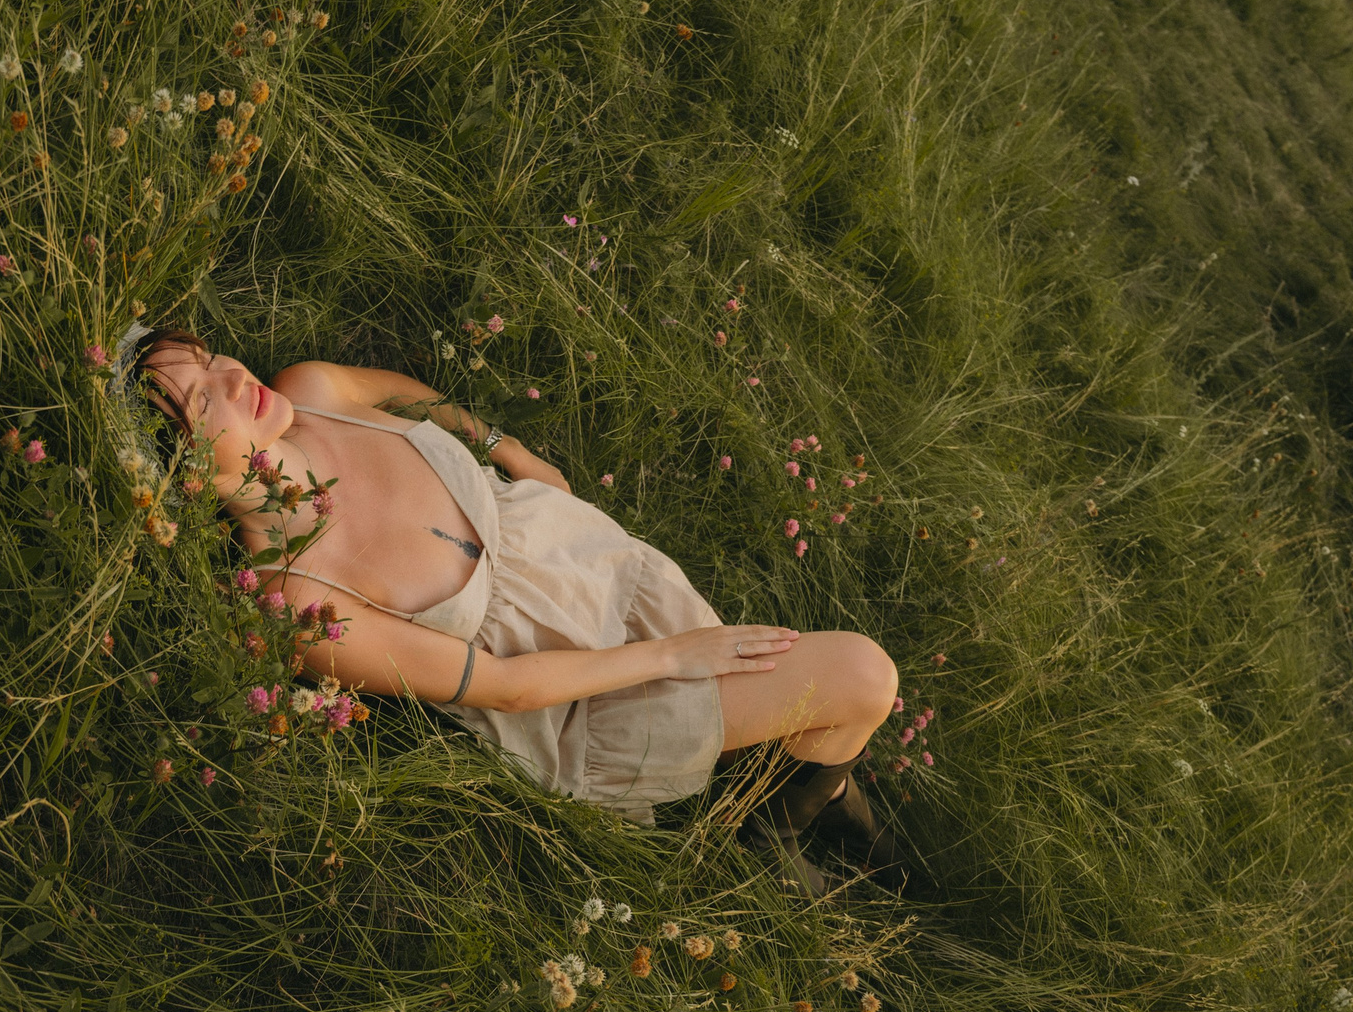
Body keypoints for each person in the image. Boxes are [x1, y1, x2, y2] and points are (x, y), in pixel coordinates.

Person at [127, 325, 927, 891]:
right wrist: (671, 656)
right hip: (582, 698)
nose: (232, 375)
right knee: (863, 676)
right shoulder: (300, 596)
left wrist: (512, 451)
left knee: (820, 701)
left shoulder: (310, 392)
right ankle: (785, 828)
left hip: (598, 568)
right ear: (186, 472)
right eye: (203, 396)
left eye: (211, 356)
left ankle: (804, 808)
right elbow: (506, 687)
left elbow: (411, 398)